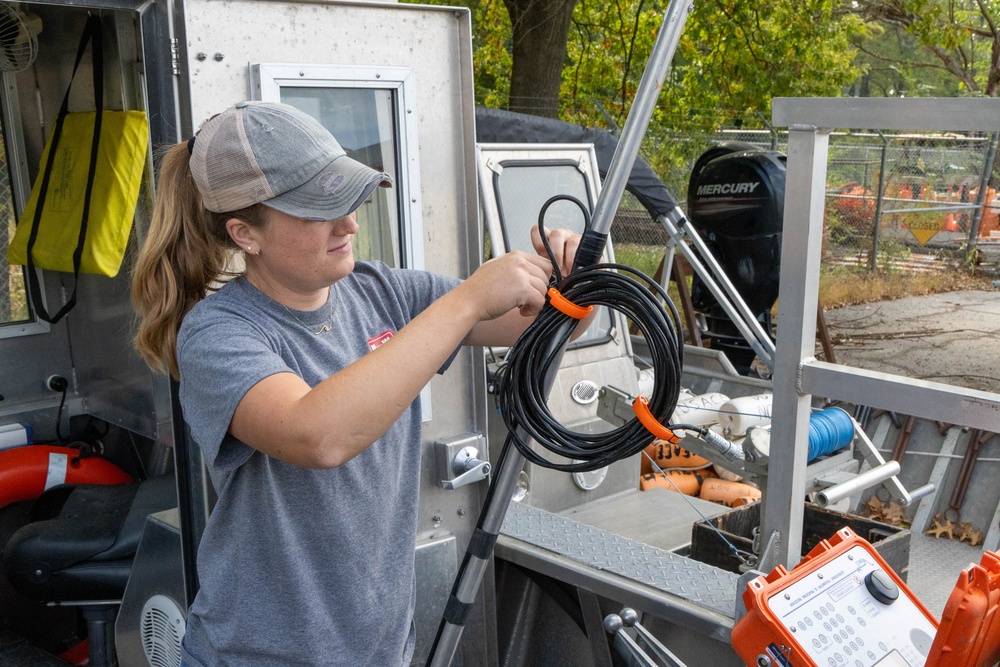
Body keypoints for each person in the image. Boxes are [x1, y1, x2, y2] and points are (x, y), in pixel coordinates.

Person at [131, 100, 582, 666]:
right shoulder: (219, 333)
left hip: (378, 651)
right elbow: (316, 435)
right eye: (317, 209)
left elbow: (529, 323)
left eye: (345, 198)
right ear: (246, 234)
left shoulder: (380, 291)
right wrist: (467, 298)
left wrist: (570, 277)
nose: (348, 223)